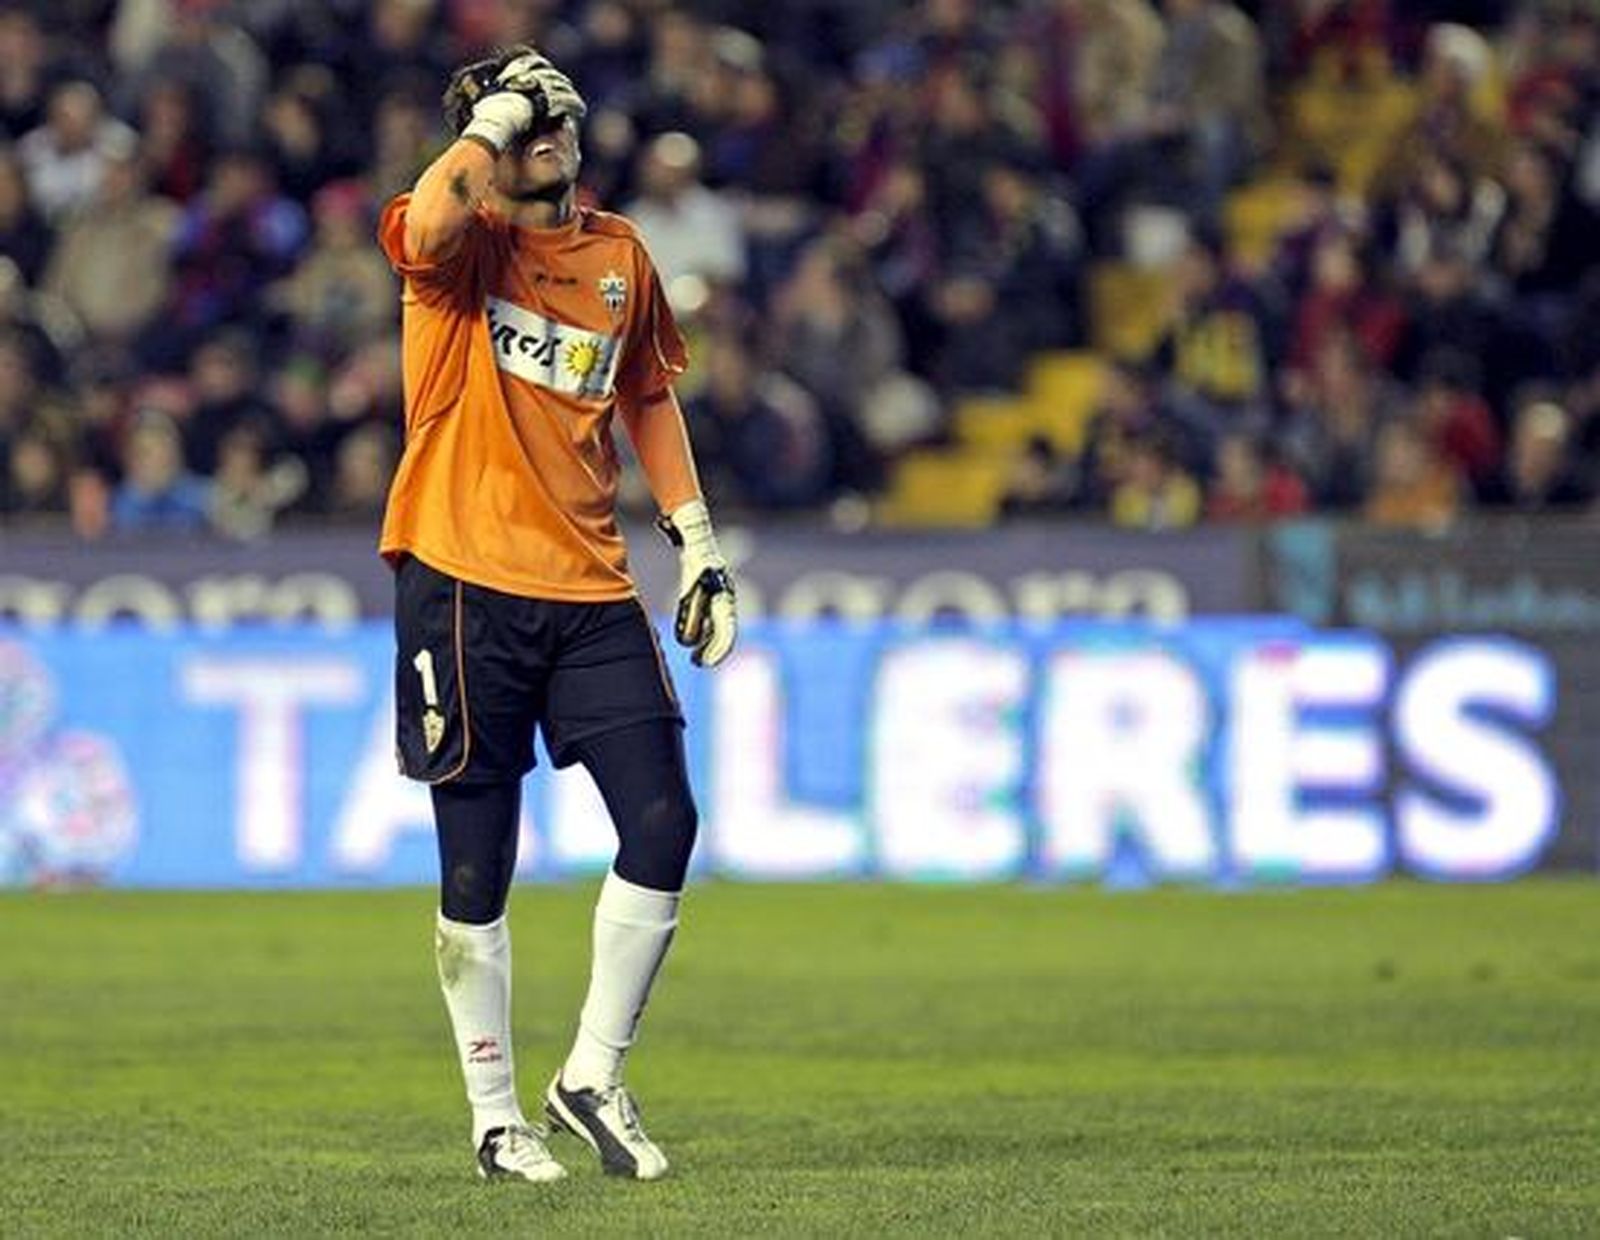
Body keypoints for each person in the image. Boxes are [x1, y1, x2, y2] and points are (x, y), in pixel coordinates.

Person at [376, 45, 737, 1185]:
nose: (549, 134)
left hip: (588, 589)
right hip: (463, 578)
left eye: (560, 118)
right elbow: (429, 224)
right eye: (529, 123)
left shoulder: (620, 255)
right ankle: (494, 1117)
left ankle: (589, 1073)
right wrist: (493, 116)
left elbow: (645, 391)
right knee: (477, 870)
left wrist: (694, 536)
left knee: (664, 819)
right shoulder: (458, 250)